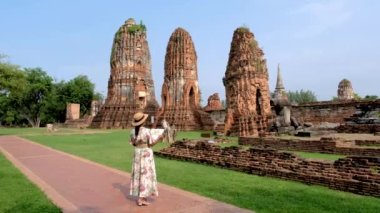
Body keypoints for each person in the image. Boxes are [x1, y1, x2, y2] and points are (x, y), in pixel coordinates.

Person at [129, 112, 165, 206]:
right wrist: (159, 138)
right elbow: (151, 144)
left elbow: (133, 143)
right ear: (143, 122)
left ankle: (142, 197)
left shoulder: (132, 132)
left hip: (137, 153)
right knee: (146, 174)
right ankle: (141, 199)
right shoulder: (145, 131)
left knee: (138, 174)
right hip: (145, 153)